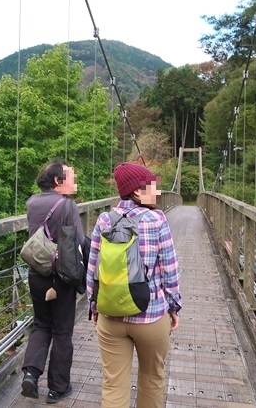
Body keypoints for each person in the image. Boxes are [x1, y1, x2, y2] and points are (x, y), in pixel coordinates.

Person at [86, 162, 182, 408]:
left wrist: (94, 306)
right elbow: (169, 270)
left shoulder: (104, 220)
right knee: (152, 379)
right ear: (137, 192)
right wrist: (174, 307)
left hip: (110, 317)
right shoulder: (157, 219)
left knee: (113, 384)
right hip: (150, 315)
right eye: (153, 186)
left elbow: (93, 269)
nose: (158, 191)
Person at [21, 160, 85, 403]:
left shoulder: (31, 202)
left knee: (41, 325)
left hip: (37, 273)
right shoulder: (67, 205)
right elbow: (78, 240)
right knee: (61, 331)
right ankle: (58, 388)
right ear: (58, 181)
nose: (75, 182)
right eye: (71, 177)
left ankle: (30, 373)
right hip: (61, 276)